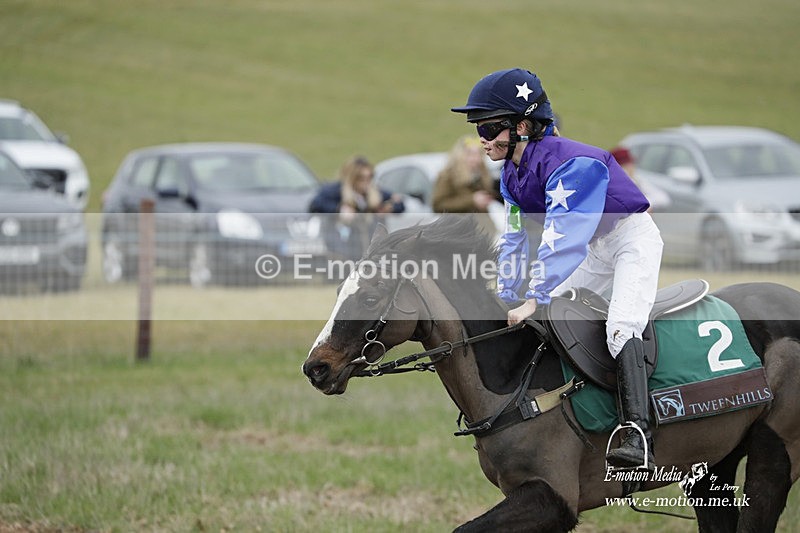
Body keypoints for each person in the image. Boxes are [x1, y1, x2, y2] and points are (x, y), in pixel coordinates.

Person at [452, 68, 664, 470]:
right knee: (550, 318)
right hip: (596, 249)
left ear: (524, 126)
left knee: (620, 328)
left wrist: (535, 296)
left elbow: (564, 238)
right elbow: (513, 239)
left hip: (631, 241)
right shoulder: (511, 176)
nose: (482, 137)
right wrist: (508, 292)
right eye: (477, 127)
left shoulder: (573, 164)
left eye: (491, 126)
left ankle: (639, 433)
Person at [309, 155, 404, 260]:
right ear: (352, 178)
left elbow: (399, 204)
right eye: (361, 178)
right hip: (342, 250)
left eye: (369, 178)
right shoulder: (336, 191)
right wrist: (338, 210)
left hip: (369, 247)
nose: (366, 182)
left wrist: (389, 208)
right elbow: (315, 204)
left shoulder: (374, 193)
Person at [432, 135, 503, 238]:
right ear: (460, 155)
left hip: (482, 233)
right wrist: (472, 200)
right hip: (456, 234)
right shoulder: (448, 176)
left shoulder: (482, 175)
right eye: (470, 154)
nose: (475, 159)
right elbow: (438, 205)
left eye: (479, 154)